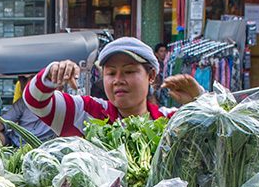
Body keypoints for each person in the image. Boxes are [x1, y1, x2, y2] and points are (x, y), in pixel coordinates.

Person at [24, 37, 202, 138]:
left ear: (151, 76)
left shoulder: (170, 120)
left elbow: (213, 140)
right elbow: (35, 102)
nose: (118, 80)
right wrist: (51, 75)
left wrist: (201, 102)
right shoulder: (86, 112)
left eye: (129, 71)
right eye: (110, 73)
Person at [0, 77, 55, 146]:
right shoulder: (23, 102)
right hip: (15, 142)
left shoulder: (56, 103)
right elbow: (3, 121)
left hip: (41, 145)